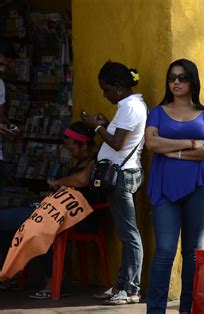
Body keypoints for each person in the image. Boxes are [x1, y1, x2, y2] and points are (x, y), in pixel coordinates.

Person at [144, 59, 204, 314]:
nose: (176, 82)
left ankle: (188, 309)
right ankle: (155, 310)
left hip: (199, 186)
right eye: (172, 77)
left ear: (192, 82)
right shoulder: (157, 112)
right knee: (165, 249)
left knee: (193, 250)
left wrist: (173, 151)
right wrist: (189, 143)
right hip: (164, 186)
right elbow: (151, 144)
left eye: (182, 78)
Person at [0, 121, 105, 297]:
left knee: (40, 229)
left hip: (80, 219)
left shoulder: (96, 161)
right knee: (10, 226)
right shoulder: (81, 162)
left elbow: (82, 180)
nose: (71, 153)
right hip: (58, 214)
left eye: (72, 149)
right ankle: (10, 271)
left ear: (84, 145)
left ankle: (50, 282)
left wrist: (58, 183)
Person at [80, 61, 147, 305]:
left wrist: (96, 126)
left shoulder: (131, 107)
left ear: (118, 87)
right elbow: (120, 138)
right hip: (121, 174)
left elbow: (118, 144)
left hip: (122, 176)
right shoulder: (127, 106)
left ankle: (130, 289)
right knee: (125, 232)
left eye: (106, 89)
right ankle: (122, 284)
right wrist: (106, 124)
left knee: (129, 233)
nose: (104, 94)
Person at [0, 39, 19, 191]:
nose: (2, 69)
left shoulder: (0, 84)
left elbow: (0, 116)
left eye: (6, 66)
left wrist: (10, 126)